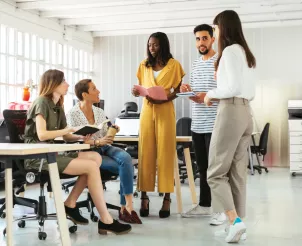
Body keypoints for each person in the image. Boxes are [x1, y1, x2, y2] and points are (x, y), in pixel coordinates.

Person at [24, 69, 132, 235]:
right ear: (53, 84)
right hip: (38, 157)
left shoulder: (58, 105)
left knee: (95, 157)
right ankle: (106, 219)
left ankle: (70, 202)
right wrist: (70, 129)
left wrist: (81, 136)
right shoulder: (41, 102)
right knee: (90, 167)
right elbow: (42, 134)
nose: (67, 84)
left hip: (52, 152)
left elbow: (66, 136)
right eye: (63, 81)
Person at [204, 10, 256, 243]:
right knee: (237, 172)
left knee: (215, 172)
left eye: (214, 29)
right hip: (246, 112)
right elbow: (246, 88)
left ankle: (234, 222)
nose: (214, 34)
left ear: (223, 27)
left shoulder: (230, 51)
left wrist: (210, 94)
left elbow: (232, 87)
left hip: (231, 110)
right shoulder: (246, 53)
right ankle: (239, 224)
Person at [66, 79, 142, 224]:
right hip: (88, 151)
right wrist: (87, 139)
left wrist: (113, 131)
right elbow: (69, 136)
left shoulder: (99, 111)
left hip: (104, 147)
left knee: (125, 158)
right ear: (85, 94)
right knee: (124, 166)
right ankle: (125, 210)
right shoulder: (73, 113)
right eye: (94, 89)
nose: (98, 91)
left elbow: (105, 134)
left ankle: (127, 206)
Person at [132, 32, 185, 218]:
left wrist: (165, 98)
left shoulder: (174, 65)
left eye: (155, 45)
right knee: (145, 151)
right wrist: (136, 92)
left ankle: (166, 199)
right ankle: (144, 197)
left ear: (163, 45)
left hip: (165, 109)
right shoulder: (143, 65)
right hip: (147, 109)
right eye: (149, 45)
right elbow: (140, 87)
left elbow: (178, 90)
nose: (151, 48)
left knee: (165, 152)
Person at [180, 24, 226, 225]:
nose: (201, 42)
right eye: (198, 39)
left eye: (204, 38)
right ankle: (205, 205)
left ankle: (222, 210)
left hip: (215, 122)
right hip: (197, 123)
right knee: (203, 167)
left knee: (217, 170)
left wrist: (206, 97)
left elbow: (226, 93)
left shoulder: (221, 62)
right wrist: (188, 90)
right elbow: (198, 94)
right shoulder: (196, 63)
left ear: (213, 39)